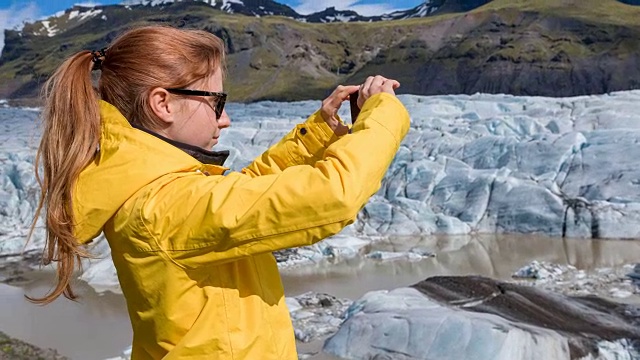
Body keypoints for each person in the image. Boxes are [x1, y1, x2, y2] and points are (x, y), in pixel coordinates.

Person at [31, 25, 410, 359]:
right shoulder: (162, 206)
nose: (224, 118)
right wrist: (383, 116)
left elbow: (243, 193)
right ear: (162, 103)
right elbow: (331, 197)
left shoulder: (160, 187)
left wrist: (320, 133)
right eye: (216, 102)